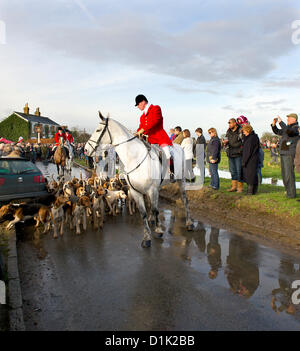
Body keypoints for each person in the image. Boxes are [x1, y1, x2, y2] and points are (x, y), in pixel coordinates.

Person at [134, 94, 174, 181]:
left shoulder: (156, 108)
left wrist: (143, 130)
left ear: (143, 102)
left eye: (138, 105)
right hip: (151, 140)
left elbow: (155, 121)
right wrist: (136, 133)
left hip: (160, 137)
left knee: (167, 153)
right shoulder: (142, 116)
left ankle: (171, 173)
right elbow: (140, 127)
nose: (137, 107)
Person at [271, 113, 299, 198]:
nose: (287, 120)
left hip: (289, 153)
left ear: (294, 119)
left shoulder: (296, 128)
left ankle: (291, 194)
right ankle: (288, 191)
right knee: (284, 174)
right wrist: (273, 125)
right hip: (283, 153)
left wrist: (281, 122)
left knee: (288, 174)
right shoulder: (287, 128)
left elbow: (289, 132)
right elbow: (278, 132)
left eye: (289, 118)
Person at [225, 118, 243, 193]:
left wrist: (232, 144)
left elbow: (242, 141)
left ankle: (240, 188)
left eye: (230, 123)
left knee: (239, 171)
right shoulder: (228, 131)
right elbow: (226, 140)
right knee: (232, 171)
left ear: (235, 123)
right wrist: (225, 142)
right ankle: (234, 186)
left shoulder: (240, 130)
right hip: (230, 153)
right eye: (228, 123)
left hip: (238, 153)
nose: (229, 124)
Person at [242, 124, 260, 195]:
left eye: (244, 131)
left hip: (250, 160)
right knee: (253, 175)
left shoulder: (250, 139)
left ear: (248, 130)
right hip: (254, 158)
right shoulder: (255, 137)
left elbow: (247, 151)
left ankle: (250, 192)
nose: (243, 132)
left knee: (250, 175)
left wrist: (244, 161)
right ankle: (254, 191)